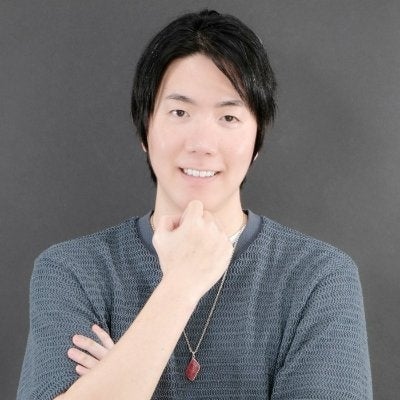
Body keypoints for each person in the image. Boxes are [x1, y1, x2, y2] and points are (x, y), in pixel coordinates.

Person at [17, 9, 372, 400]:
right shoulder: (73, 271)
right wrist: (181, 284)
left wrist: (119, 379)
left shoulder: (319, 278)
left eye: (229, 117)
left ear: (257, 140)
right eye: (180, 112)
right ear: (145, 128)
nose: (202, 144)